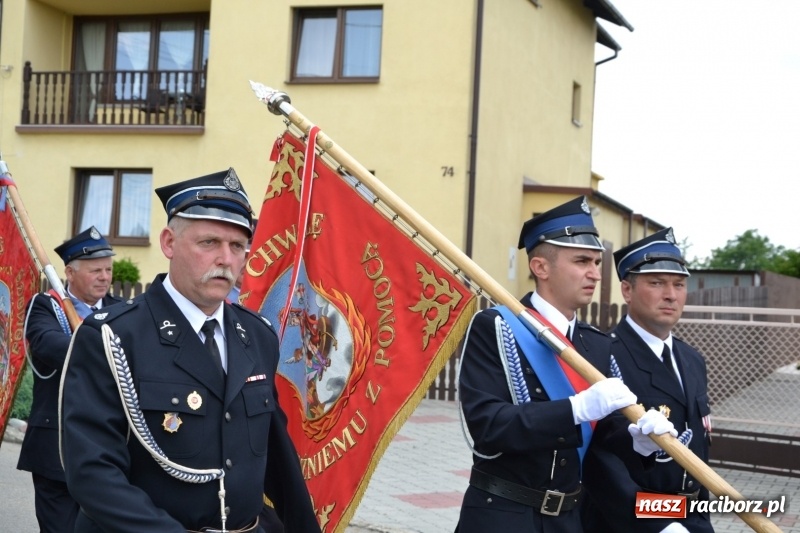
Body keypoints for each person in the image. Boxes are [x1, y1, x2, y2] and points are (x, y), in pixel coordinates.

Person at [59, 168, 320, 532]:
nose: (226, 259)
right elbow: (93, 474)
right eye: (209, 242)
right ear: (168, 243)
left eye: (237, 246)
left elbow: (278, 460)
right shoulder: (113, 338)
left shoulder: (257, 336)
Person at [455, 196, 667, 533]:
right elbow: (488, 426)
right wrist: (575, 409)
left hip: (569, 520)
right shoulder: (496, 326)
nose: (595, 274)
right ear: (541, 267)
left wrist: (637, 439)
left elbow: (603, 435)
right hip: (503, 516)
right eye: (582, 261)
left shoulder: (595, 342)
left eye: (598, 263)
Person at [582, 228, 713, 532]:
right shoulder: (602, 356)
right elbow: (599, 460)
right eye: (657, 283)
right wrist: (660, 524)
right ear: (627, 290)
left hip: (691, 517)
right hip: (631, 523)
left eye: (679, 284)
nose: (671, 294)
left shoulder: (692, 359)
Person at [18, 226, 122, 533]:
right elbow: (50, 345)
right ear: (70, 272)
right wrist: (102, 344)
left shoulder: (122, 311)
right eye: (95, 271)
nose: (104, 277)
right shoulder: (45, 306)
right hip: (57, 446)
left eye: (108, 269)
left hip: (109, 447)